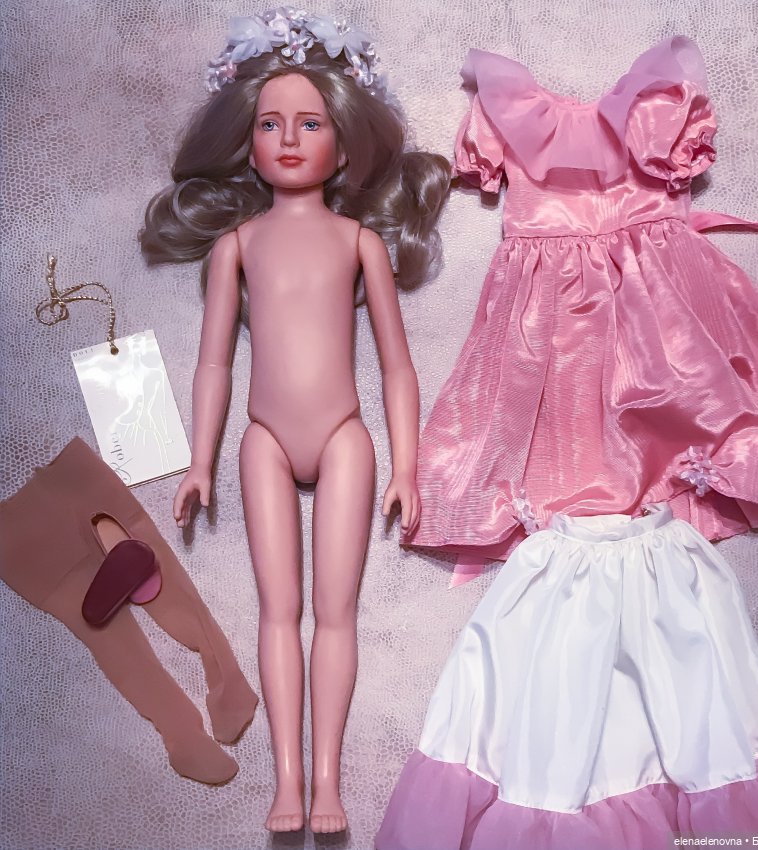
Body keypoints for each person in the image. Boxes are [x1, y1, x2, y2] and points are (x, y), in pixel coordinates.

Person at [140, 8, 450, 834]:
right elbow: (214, 362)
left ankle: (328, 781)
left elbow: (396, 365)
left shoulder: (360, 242)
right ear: (247, 144)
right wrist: (200, 460)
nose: (287, 139)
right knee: (277, 612)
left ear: (343, 148)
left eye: (310, 124)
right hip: (266, 440)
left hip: (345, 437)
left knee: (335, 615)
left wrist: (408, 467)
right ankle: (287, 782)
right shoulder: (237, 246)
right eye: (270, 124)